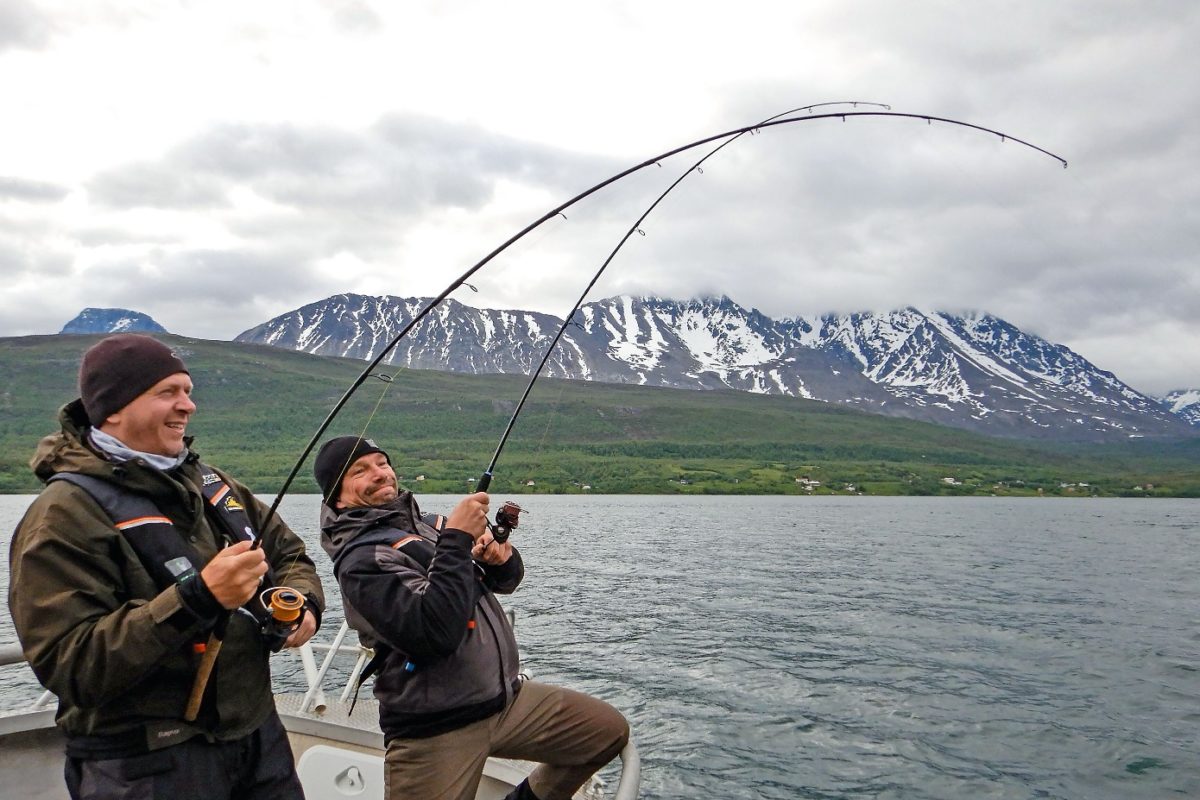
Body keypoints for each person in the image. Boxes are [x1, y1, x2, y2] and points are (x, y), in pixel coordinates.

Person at [8, 333, 325, 800]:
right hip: (143, 766)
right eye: (168, 393)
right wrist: (197, 597)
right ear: (113, 408)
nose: (187, 406)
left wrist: (303, 603)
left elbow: (290, 554)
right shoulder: (61, 516)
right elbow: (72, 665)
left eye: (188, 391)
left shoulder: (214, 484)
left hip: (257, 739)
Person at [315, 435, 629, 800]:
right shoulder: (361, 559)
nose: (380, 473)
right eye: (360, 470)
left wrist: (500, 560)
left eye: (382, 463)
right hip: (436, 726)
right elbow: (434, 634)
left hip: (504, 701)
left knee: (605, 733)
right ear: (337, 493)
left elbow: (507, 581)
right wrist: (457, 540)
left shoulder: (430, 525)